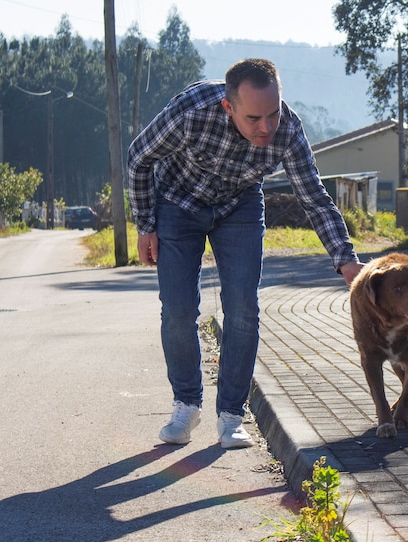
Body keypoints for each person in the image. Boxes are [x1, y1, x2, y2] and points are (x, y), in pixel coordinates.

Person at [127, 58, 362, 449]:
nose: (266, 127)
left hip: (239, 206)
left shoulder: (288, 130)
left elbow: (315, 199)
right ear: (228, 107)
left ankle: (231, 416)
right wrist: (146, 223)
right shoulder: (193, 112)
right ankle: (186, 405)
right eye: (254, 118)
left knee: (243, 309)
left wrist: (345, 259)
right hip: (177, 204)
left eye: (273, 114)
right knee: (179, 309)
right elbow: (139, 157)